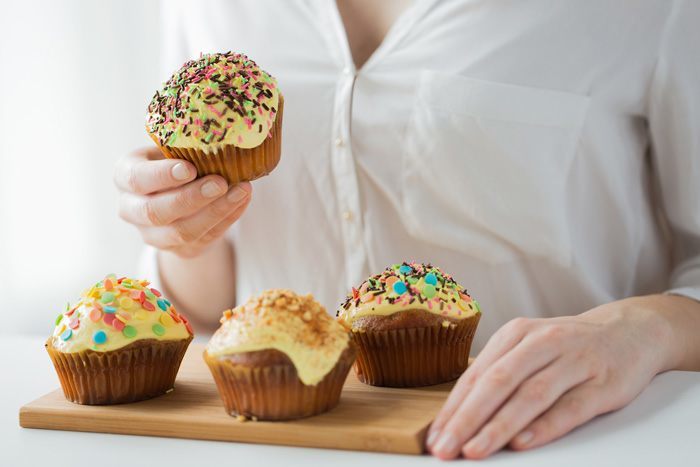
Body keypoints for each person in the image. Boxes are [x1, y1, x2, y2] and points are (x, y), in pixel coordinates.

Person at [114, 0, 700, 460]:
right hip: (270, 438)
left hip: (558, 442)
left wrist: (643, 330)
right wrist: (181, 229)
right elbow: (206, 302)